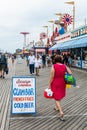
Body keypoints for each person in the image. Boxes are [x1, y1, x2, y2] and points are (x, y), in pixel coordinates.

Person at [48, 55, 72, 121]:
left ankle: (61, 112)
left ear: (55, 60)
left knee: (56, 97)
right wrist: (66, 77)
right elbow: (70, 73)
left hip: (55, 82)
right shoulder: (64, 66)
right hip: (62, 82)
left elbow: (52, 76)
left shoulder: (54, 66)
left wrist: (49, 84)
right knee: (58, 95)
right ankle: (57, 107)